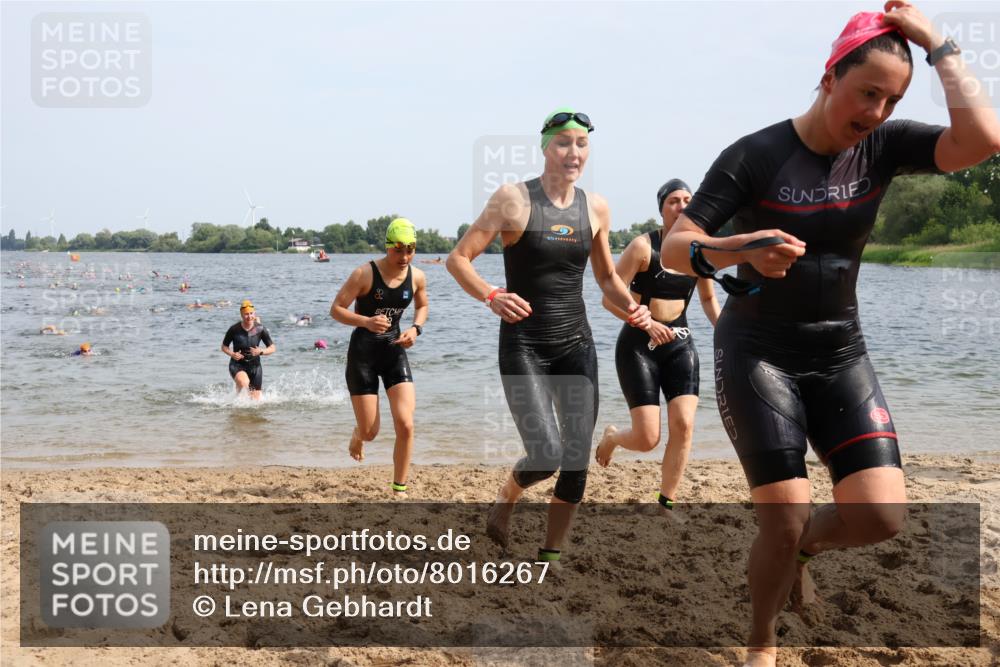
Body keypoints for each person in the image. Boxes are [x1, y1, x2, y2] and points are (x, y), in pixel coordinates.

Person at [660, 4, 1000, 665]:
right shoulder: (756, 156)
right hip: (758, 352)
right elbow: (677, 248)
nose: (875, 111)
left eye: (891, 98)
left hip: (840, 349)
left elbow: (984, 138)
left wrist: (937, 43)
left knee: (880, 516)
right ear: (829, 77)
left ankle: (803, 550)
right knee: (781, 519)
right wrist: (743, 247)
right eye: (866, 92)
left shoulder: (885, 147)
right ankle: (761, 641)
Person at [447, 108, 651, 562]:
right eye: (563, 143)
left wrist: (641, 314)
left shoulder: (595, 207)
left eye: (581, 144)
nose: (573, 152)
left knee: (575, 459)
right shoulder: (512, 199)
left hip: (576, 344)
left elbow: (606, 279)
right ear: (545, 147)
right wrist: (491, 295)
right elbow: (458, 260)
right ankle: (508, 494)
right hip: (524, 344)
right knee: (545, 454)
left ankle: (550, 555)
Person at [595, 179, 720, 514]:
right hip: (638, 346)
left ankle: (665, 502)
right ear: (662, 209)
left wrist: (725, 331)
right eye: (674, 201)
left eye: (688, 201)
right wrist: (646, 322)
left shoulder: (699, 250)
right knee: (647, 439)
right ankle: (612, 437)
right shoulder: (642, 247)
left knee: (684, 424)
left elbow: (708, 298)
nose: (682, 206)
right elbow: (609, 298)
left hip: (680, 345)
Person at [330, 218, 428, 498]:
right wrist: (365, 321)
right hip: (363, 356)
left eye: (410, 249)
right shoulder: (364, 274)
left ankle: (399, 488)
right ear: (388, 247)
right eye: (399, 250)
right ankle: (359, 433)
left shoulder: (418, 276)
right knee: (371, 432)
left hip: (394, 352)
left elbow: (422, 305)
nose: (405, 256)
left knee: (406, 423)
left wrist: (416, 329)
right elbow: (336, 309)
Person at [220, 300, 275, 400]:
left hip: (255, 366)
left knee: (255, 401)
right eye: (246, 314)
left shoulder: (260, 329)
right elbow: (224, 347)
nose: (249, 316)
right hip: (237, 364)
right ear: (241, 315)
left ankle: (240, 407)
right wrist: (232, 354)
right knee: (244, 382)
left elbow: (272, 348)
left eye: (251, 313)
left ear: (254, 313)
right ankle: (236, 398)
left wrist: (261, 351)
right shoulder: (234, 329)